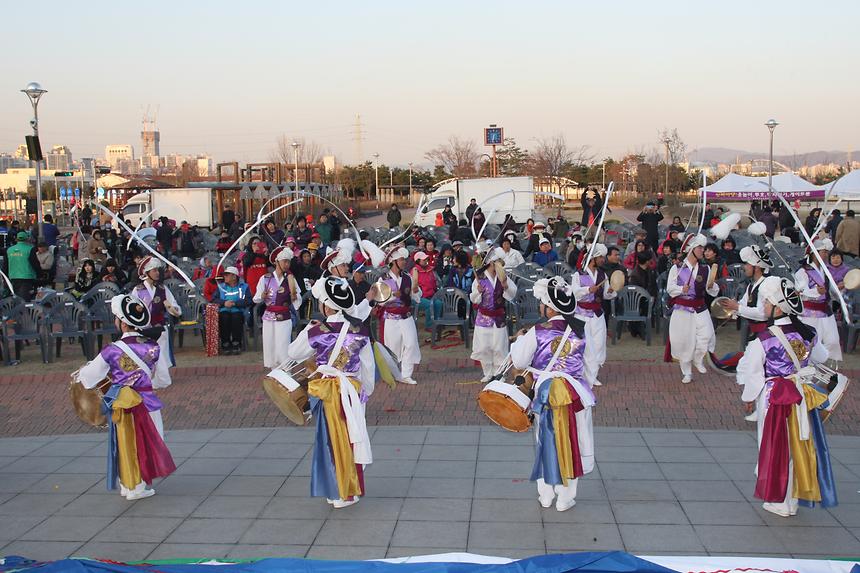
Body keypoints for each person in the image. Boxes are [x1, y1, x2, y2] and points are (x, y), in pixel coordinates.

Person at [735, 276, 838, 518]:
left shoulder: (764, 339)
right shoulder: (808, 332)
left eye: (767, 303)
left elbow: (752, 371)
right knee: (797, 444)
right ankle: (791, 498)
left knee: (774, 445)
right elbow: (821, 358)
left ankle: (779, 499)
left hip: (774, 397)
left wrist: (748, 396)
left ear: (778, 307)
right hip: (802, 395)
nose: (764, 307)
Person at [73, 294, 175, 499]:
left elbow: (89, 377)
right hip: (148, 403)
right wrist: (145, 383)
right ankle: (137, 487)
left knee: (124, 442)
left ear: (121, 323)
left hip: (123, 404)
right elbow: (164, 380)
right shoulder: (154, 346)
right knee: (148, 443)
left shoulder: (111, 350)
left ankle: (128, 485)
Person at [286, 276, 375, 508]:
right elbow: (368, 367)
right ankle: (348, 490)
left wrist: (308, 328)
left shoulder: (318, 331)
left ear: (326, 305)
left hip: (328, 392)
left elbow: (293, 353)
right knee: (352, 437)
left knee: (331, 440)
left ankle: (338, 491)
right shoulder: (360, 329)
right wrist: (365, 391)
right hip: (352, 390)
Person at [510, 276, 595, 512]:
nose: (540, 307)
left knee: (545, 441)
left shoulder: (538, 331)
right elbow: (592, 364)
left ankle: (546, 495)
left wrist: (519, 341)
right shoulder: (582, 329)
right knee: (573, 441)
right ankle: (566, 497)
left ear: (549, 307)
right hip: (575, 396)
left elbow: (518, 360)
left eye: (542, 303)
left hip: (547, 394)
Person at [666, 234, 719, 384]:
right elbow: (670, 289)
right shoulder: (677, 268)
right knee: (684, 341)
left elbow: (711, 290)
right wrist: (681, 289)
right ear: (691, 250)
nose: (703, 250)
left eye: (703, 248)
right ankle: (687, 372)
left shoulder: (705, 268)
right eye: (700, 248)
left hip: (701, 307)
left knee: (707, 335)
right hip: (683, 309)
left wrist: (712, 286)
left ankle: (698, 358)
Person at [571, 243, 617, 387]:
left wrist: (610, 292)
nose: (603, 260)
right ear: (593, 258)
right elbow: (573, 293)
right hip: (581, 314)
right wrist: (587, 290)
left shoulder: (603, 275)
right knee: (583, 345)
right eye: (600, 257)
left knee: (598, 344)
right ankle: (582, 374)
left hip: (597, 314)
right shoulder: (579, 274)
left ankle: (593, 374)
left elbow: (606, 295)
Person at [377, 245, 421, 384]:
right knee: (392, 347)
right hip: (391, 318)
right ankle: (393, 373)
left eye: (404, 259)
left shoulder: (407, 277)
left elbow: (416, 296)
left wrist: (415, 289)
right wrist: (391, 295)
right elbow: (379, 300)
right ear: (394, 261)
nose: (404, 262)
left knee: (411, 344)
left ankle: (406, 374)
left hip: (406, 316)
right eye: (401, 259)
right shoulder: (383, 279)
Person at [471, 249, 517, 382]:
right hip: (483, 318)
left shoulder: (503, 277)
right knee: (484, 347)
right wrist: (478, 292)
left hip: (498, 318)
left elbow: (512, 295)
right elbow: (474, 299)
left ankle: (500, 374)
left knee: (499, 347)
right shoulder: (480, 278)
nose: (500, 265)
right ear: (491, 263)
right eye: (498, 262)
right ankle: (488, 372)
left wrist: (506, 287)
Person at [133, 256, 182, 379]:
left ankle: (161, 377)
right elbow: (131, 310)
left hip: (159, 327)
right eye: (154, 270)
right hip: (143, 328)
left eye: (158, 270)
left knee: (162, 353)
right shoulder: (137, 290)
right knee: (145, 354)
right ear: (147, 272)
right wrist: (136, 310)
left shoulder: (162, 289)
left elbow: (176, 308)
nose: (157, 273)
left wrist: (171, 308)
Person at [794, 238, 842, 362]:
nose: (826, 254)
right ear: (814, 253)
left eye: (827, 252)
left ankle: (822, 363)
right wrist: (816, 292)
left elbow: (830, 291)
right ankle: (809, 365)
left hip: (825, 311)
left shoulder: (825, 270)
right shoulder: (803, 271)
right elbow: (801, 291)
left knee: (833, 340)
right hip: (810, 312)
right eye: (823, 252)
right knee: (811, 342)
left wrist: (839, 288)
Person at [254, 246, 301, 367]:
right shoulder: (265, 279)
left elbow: (298, 298)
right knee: (270, 344)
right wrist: (262, 295)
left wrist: (294, 298)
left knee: (283, 343)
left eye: (288, 262)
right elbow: (256, 298)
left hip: (284, 316)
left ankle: (286, 369)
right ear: (277, 262)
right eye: (284, 261)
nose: (287, 264)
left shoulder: (290, 279)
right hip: (269, 315)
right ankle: (273, 371)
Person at [213, 266, 252, 355]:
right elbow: (214, 299)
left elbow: (248, 300)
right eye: (224, 275)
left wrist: (235, 304)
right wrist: (224, 303)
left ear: (234, 277)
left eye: (227, 275)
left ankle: (236, 342)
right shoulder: (221, 287)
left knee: (236, 318)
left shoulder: (244, 287)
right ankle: (225, 343)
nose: (224, 277)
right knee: (224, 318)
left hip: (239, 310)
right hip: (224, 310)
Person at [628, 251, 657, 338]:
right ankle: (638, 327)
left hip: (647, 297)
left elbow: (653, 286)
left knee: (648, 302)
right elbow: (633, 291)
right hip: (636, 299)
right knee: (643, 304)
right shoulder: (635, 274)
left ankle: (640, 327)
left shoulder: (649, 271)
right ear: (647, 261)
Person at [412, 252, 441, 330]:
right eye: (423, 259)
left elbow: (434, 283)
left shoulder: (430, 269)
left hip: (430, 295)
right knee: (429, 305)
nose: (426, 261)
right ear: (418, 261)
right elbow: (414, 287)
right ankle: (429, 325)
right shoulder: (414, 271)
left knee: (439, 303)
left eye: (426, 259)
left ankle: (437, 323)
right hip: (419, 297)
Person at [7, 231, 39, 301]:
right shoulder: (30, 249)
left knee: (15, 297)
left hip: (13, 276)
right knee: (24, 299)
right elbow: (34, 263)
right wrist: (39, 273)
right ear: (27, 239)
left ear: (17, 239)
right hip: (27, 276)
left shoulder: (9, 250)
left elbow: (5, 266)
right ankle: (23, 311)